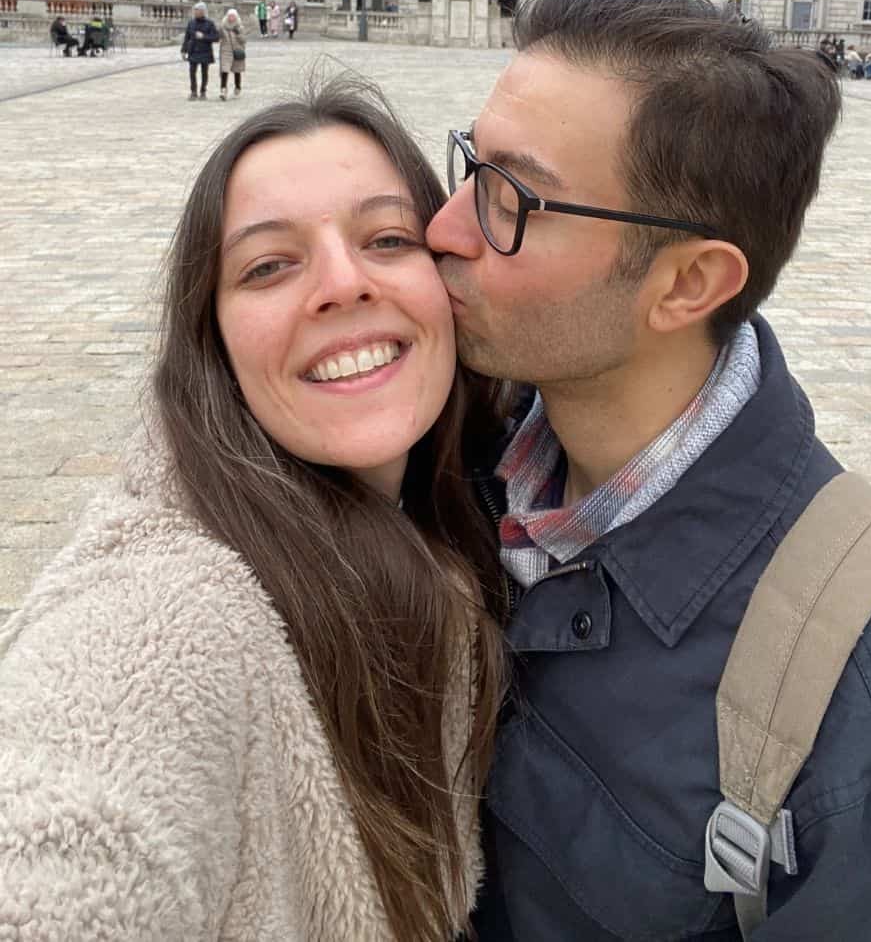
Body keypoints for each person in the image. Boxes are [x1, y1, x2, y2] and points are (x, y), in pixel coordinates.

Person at [424, 0, 871, 941]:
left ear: (688, 283)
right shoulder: (455, 463)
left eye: (509, 198)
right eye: (468, 165)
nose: (442, 228)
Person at [0, 79, 506, 942]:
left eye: (387, 238)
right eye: (269, 265)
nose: (343, 285)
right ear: (213, 342)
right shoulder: (155, 621)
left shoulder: (475, 513)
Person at [181, 1, 219, 100]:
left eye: (197, 10)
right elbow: (187, 37)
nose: (195, 12)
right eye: (195, 10)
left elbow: (216, 37)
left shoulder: (210, 23)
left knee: (204, 73)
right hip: (193, 50)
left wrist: (204, 36)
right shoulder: (191, 23)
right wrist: (183, 50)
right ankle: (193, 92)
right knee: (192, 72)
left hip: (205, 51)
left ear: (203, 11)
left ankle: (203, 92)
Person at [218, 7, 246, 100]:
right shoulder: (223, 27)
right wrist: (219, 32)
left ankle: (238, 86)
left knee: (237, 71)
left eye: (233, 16)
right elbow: (219, 38)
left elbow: (243, 40)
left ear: (236, 17)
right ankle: (223, 89)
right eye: (230, 16)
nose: (231, 18)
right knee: (224, 71)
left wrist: (238, 34)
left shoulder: (240, 27)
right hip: (226, 51)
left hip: (237, 51)